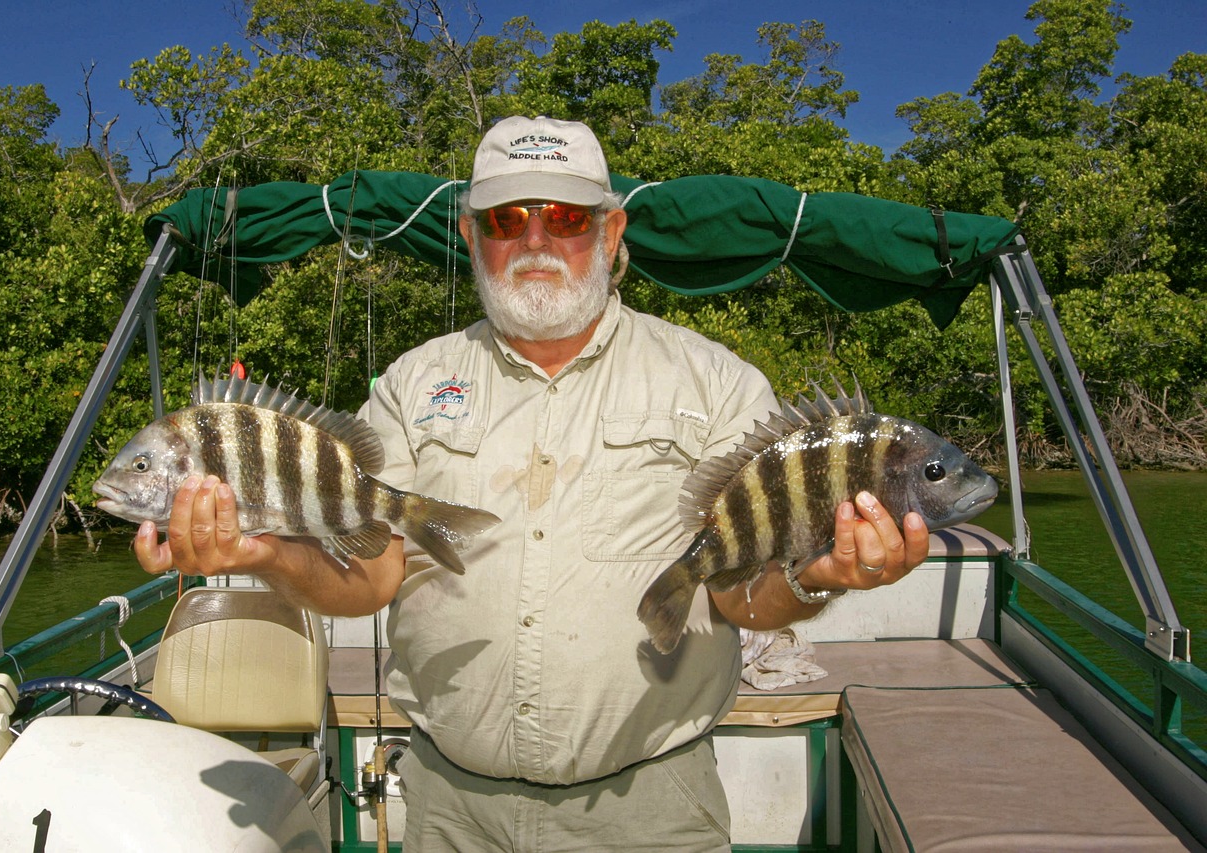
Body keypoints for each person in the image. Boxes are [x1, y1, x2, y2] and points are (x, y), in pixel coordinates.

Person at [135, 115, 929, 852]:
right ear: (471, 234)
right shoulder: (414, 384)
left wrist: (819, 579)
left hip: (652, 812)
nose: (536, 238)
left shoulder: (717, 383)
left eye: (569, 217)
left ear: (612, 232)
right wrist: (264, 554)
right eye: (506, 220)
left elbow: (736, 595)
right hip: (450, 807)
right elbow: (371, 575)